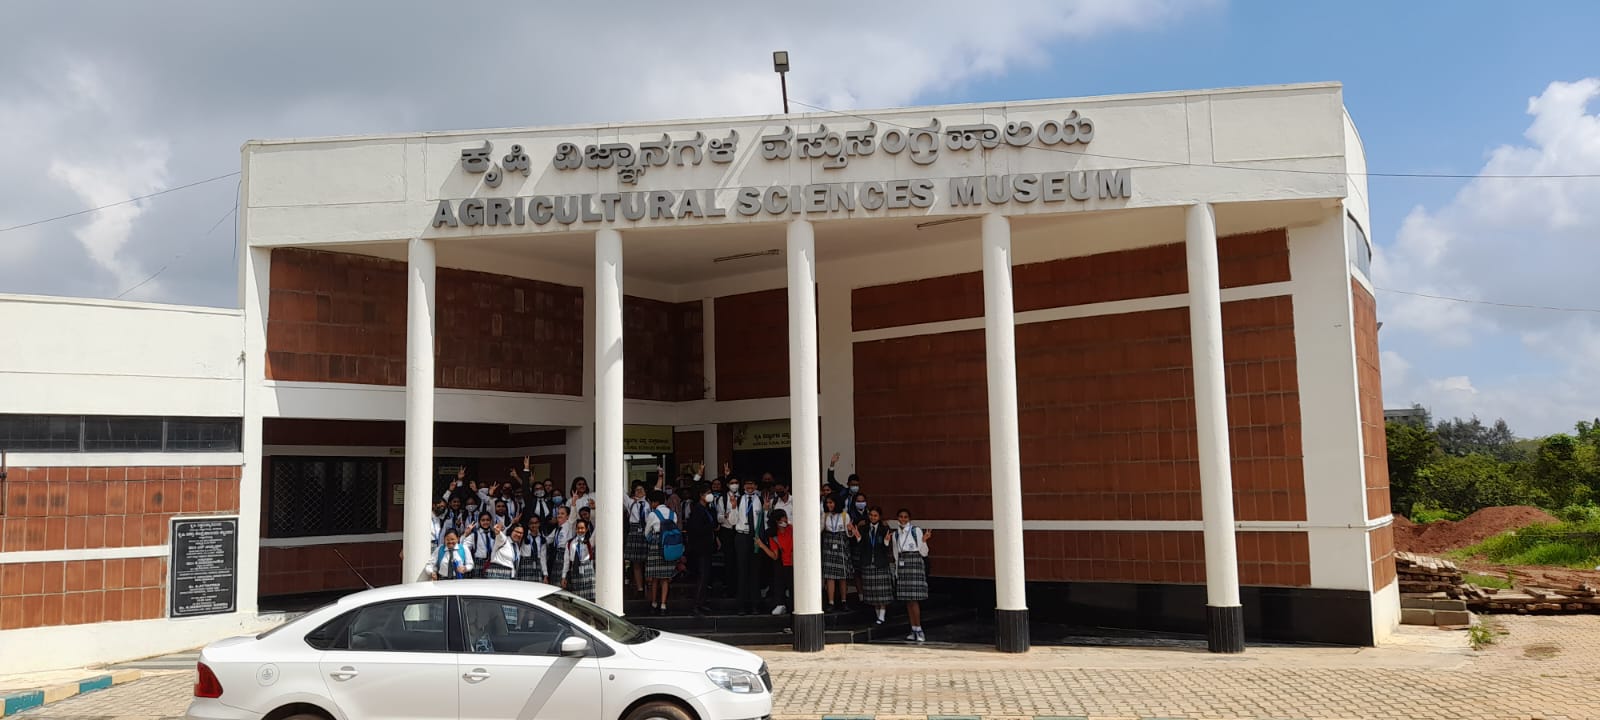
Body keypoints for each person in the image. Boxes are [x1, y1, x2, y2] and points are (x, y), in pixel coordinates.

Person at [892, 508, 933, 643]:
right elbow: (896, 554)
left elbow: (924, 552)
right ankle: (913, 629)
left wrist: (924, 540)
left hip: (914, 564)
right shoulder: (895, 534)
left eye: (905, 517)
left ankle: (919, 629)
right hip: (903, 566)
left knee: (914, 600)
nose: (903, 519)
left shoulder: (916, 531)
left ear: (909, 519)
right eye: (901, 517)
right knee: (907, 600)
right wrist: (897, 571)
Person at [684, 483, 720, 614]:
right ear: (701, 495)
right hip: (700, 547)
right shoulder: (697, 510)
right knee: (703, 575)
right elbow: (696, 529)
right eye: (707, 493)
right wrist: (711, 527)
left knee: (706, 575)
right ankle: (697, 604)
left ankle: (702, 601)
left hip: (708, 546)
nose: (710, 495)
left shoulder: (708, 509)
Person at [856, 506, 895, 624]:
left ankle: (882, 615)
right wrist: (858, 538)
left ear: (879, 516)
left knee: (882, 591)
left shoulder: (884, 529)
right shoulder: (864, 528)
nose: (873, 517)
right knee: (873, 592)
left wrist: (886, 542)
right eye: (871, 515)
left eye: (875, 515)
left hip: (880, 562)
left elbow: (887, 548)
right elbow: (861, 546)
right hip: (868, 562)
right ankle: (878, 615)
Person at [731, 476, 764, 614]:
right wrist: (733, 507)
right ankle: (741, 605)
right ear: (743, 486)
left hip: (756, 537)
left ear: (756, 486)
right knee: (742, 571)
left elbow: (764, 520)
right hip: (742, 536)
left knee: (755, 571)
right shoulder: (738, 499)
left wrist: (766, 510)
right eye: (747, 484)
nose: (750, 486)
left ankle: (755, 604)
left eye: (752, 483)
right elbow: (732, 521)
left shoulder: (760, 499)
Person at [643, 490, 679, 614]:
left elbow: (646, 533)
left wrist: (652, 540)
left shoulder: (653, 515)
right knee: (665, 578)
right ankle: (663, 605)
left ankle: (654, 603)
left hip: (656, 544)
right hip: (669, 546)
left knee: (654, 578)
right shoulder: (673, 514)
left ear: (654, 502)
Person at [821, 494, 858, 611]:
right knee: (829, 576)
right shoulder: (825, 515)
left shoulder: (844, 515)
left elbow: (849, 534)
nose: (829, 505)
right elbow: (820, 529)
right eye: (827, 503)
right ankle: (831, 602)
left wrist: (851, 531)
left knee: (843, 576)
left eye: (831, 502)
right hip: (829, 545)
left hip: (841, 545)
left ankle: (844, 601)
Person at [756, 509, 794, 615]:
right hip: (783, 563)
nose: (785, 521)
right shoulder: (773, 535)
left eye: (786, 518)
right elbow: (774, 555)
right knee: (779, 583)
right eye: (783, 519)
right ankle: (780, 605)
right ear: (777, 521)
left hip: (794, 562)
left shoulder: (792, 529)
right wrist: (762, 545)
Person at [623, 481, 653, 595]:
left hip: (647, 531)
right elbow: (622, 493)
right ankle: (640, 588)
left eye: (641, 490)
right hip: (635, 531)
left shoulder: (649, 503)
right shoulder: (631, 502)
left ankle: (649, 585)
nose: (639, 491)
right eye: (637, 490)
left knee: (648, 561)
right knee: (636, 562)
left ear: (645, 492)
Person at [561, 518, 597, 601]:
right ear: (576, 529)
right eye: (578, 528)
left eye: (582, 528)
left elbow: (596, 531)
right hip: (575, 570)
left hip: (587, 571)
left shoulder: (589, 541)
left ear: (586, 529)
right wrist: (564, 577)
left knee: (590, 599)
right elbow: (566, 561)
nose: (580, 530)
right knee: (577, 599)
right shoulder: (570, 543)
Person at [463, 512, 496, 578]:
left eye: (487, 520)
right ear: (479, 521)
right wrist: (465, 534)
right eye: (483, 520)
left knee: (490, 583)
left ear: (490, 521)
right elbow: (464, 546)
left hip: (491, 563)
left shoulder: (494, 534)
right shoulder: (475, 534)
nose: (485, 522)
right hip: (478, 563)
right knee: (477, 583)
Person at [517, 516, 549, 582]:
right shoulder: (523, 536)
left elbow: (543, 558)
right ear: (528, 525)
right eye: (531, 523)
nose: (534, 525)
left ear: (539, 524)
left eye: (536, 523)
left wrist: (545, 574)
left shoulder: (542, 539)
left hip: (537, 564)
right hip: (525, 564)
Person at [547, 506, 573, 582]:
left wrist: (573, 504)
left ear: (568, 516)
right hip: (556, 556)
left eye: (562, 513)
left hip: (565, 555)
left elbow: (573, 517)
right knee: (555, 582)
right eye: (558, 513)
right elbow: (547, 540)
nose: (559, 515)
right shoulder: (557, 529)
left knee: (562, 581)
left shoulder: (570, 525)